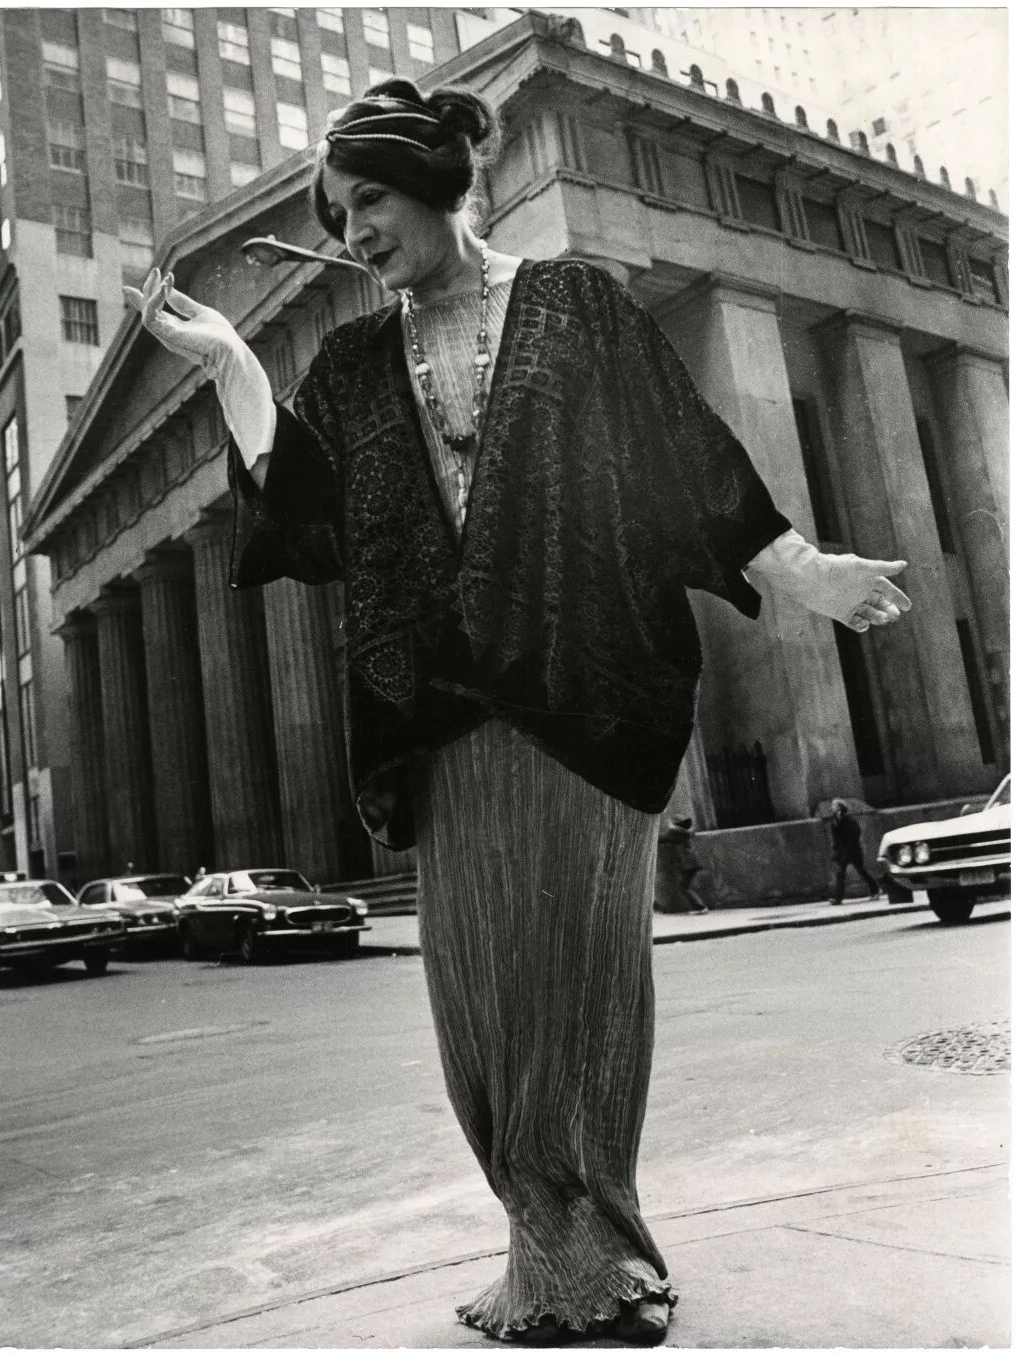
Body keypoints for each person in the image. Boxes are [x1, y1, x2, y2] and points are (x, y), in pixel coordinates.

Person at [125, 78, 911, 1346]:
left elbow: (682, 456)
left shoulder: (575, 307)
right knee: (481, 996)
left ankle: (599, 1258)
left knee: (581, 986)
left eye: (368, 201)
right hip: (446, 725)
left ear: (437, 183)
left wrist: (804, 571)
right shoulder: (354, 362)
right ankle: (547, 1246)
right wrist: (229, 361)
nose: (354, 234)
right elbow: (304, 510)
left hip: (588, 700)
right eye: (336, 218)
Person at [828, 799, 882, 905]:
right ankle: (838, 898)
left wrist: (849, 847)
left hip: (854, 850)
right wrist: (836, 850)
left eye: (834, 805)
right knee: (840, 874)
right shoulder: (834, 820)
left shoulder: (849, 818)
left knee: (861, 870)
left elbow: (856, 832)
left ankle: (875, 889)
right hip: (842, 851)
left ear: (839, 807)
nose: (832, 807)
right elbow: (836, 837)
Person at [668, 817, 709, 913]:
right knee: (684, 887)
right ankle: (700, 907)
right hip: (691, 865)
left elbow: (666, 834)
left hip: (689, 866)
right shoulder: (686, 834)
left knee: (683, 888)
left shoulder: (679, 835)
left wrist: (671, 824)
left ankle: (701, 907)